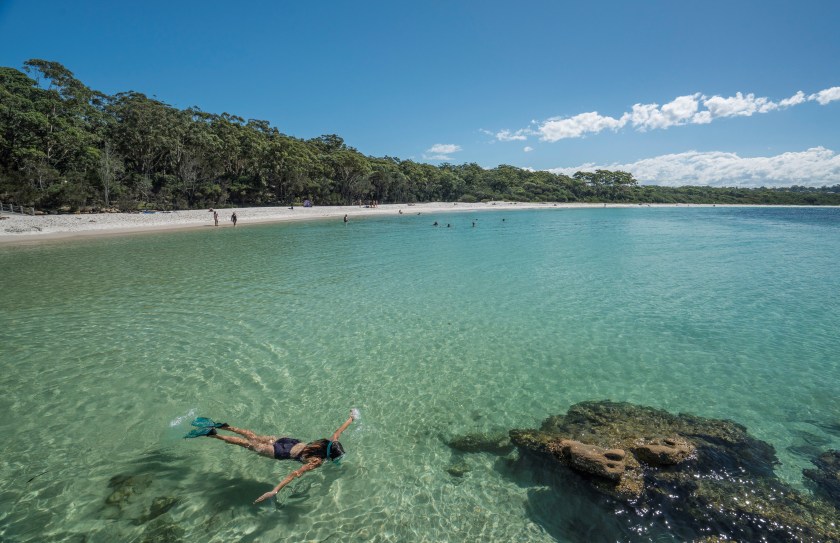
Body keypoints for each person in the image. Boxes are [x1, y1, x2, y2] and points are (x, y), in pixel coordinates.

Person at [186, 410, 358, 504]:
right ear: (331, 456)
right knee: (246, 444)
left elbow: (338, 432)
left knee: (253, 436)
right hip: (281, 453)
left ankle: (223, 426)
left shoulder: (327, 442)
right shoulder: (317, 461)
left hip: (286, 441)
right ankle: (213, 434)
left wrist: (351, 418)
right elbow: (295, 474)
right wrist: (275, 490)